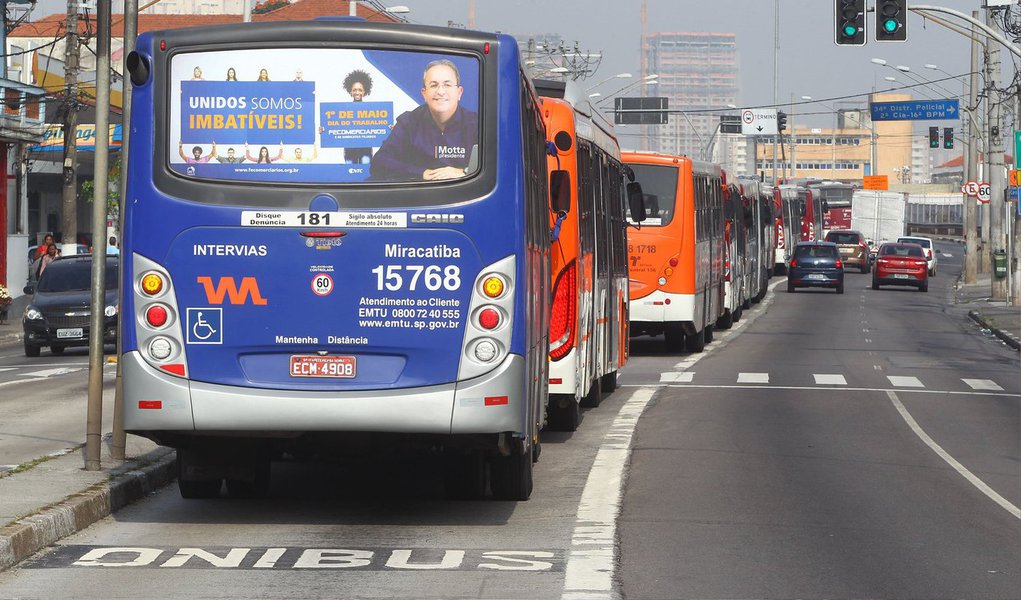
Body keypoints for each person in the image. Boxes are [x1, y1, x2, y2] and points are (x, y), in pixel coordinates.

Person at [370, 60, 478, 181]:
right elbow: (379, 163)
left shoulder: (477, 124)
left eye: (447, 84)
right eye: (433, 85)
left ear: (459, 92)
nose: (441, 91)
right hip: (420, 195)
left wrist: (465, 171)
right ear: (424, 94)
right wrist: (422, 173)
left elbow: (495, 163)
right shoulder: (408, 122)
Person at [342, 69, 374, 164]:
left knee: (365, 172)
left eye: (360, 90)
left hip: (366, 149)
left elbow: (378, 125)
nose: (357, 92)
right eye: (354, 90)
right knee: (349, 174)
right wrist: (324, 129)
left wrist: (388, 127)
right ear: (350, 92)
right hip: (350, 149)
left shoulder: (371, 110)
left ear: (364, 92)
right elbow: (335, 125)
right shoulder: (343, 110)